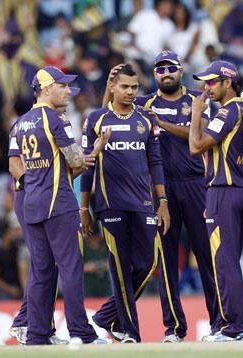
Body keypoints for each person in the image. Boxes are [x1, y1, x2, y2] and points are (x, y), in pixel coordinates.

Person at [99, 51, 219, 342]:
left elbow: (197, 136)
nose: (166, 73)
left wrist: (160, 124)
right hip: (159, 191)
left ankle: (220, 325)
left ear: (180, 71)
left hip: (195, 184)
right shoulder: (144, 102)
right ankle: (174, 329)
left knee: (207, 256)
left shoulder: (196, 100)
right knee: (166, 262)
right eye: (160, 69)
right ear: (154, 75)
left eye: (171, 68)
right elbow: (104, 118)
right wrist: (109, 84)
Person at [14, 66, 106, 345]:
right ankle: (81, 332)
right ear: (46, 88)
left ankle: (38, 334)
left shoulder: (20, 123)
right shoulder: (55, 119)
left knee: (41, 271)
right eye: (62, 86)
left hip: (31, 203)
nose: (68, 91)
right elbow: (76, 162)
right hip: (59, 203)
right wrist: (90, 151)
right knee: (70, 268)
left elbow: (23, 167)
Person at [81, 64, 170, 343]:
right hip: (111, 205)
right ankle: (129, 332)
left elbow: (155, 162)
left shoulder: (145, 120)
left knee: (147, 262)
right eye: (125, 87)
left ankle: (106, 316)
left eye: (134, 88)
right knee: (120, 267)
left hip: (143, 203)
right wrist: (84, 208)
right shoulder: (96, 119)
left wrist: (163, 200)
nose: (131, 92)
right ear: (112, 87)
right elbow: (87, 167)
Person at [189, 60, 243, 342]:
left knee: (223, 262)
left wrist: (195, 115)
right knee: (230, 261)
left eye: (212, 82)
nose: (206, 88)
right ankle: (236, 326)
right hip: (241, 189)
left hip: (224, 190)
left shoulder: (227, 111)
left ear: (228, 82)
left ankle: (233, 328)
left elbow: (195, 146)